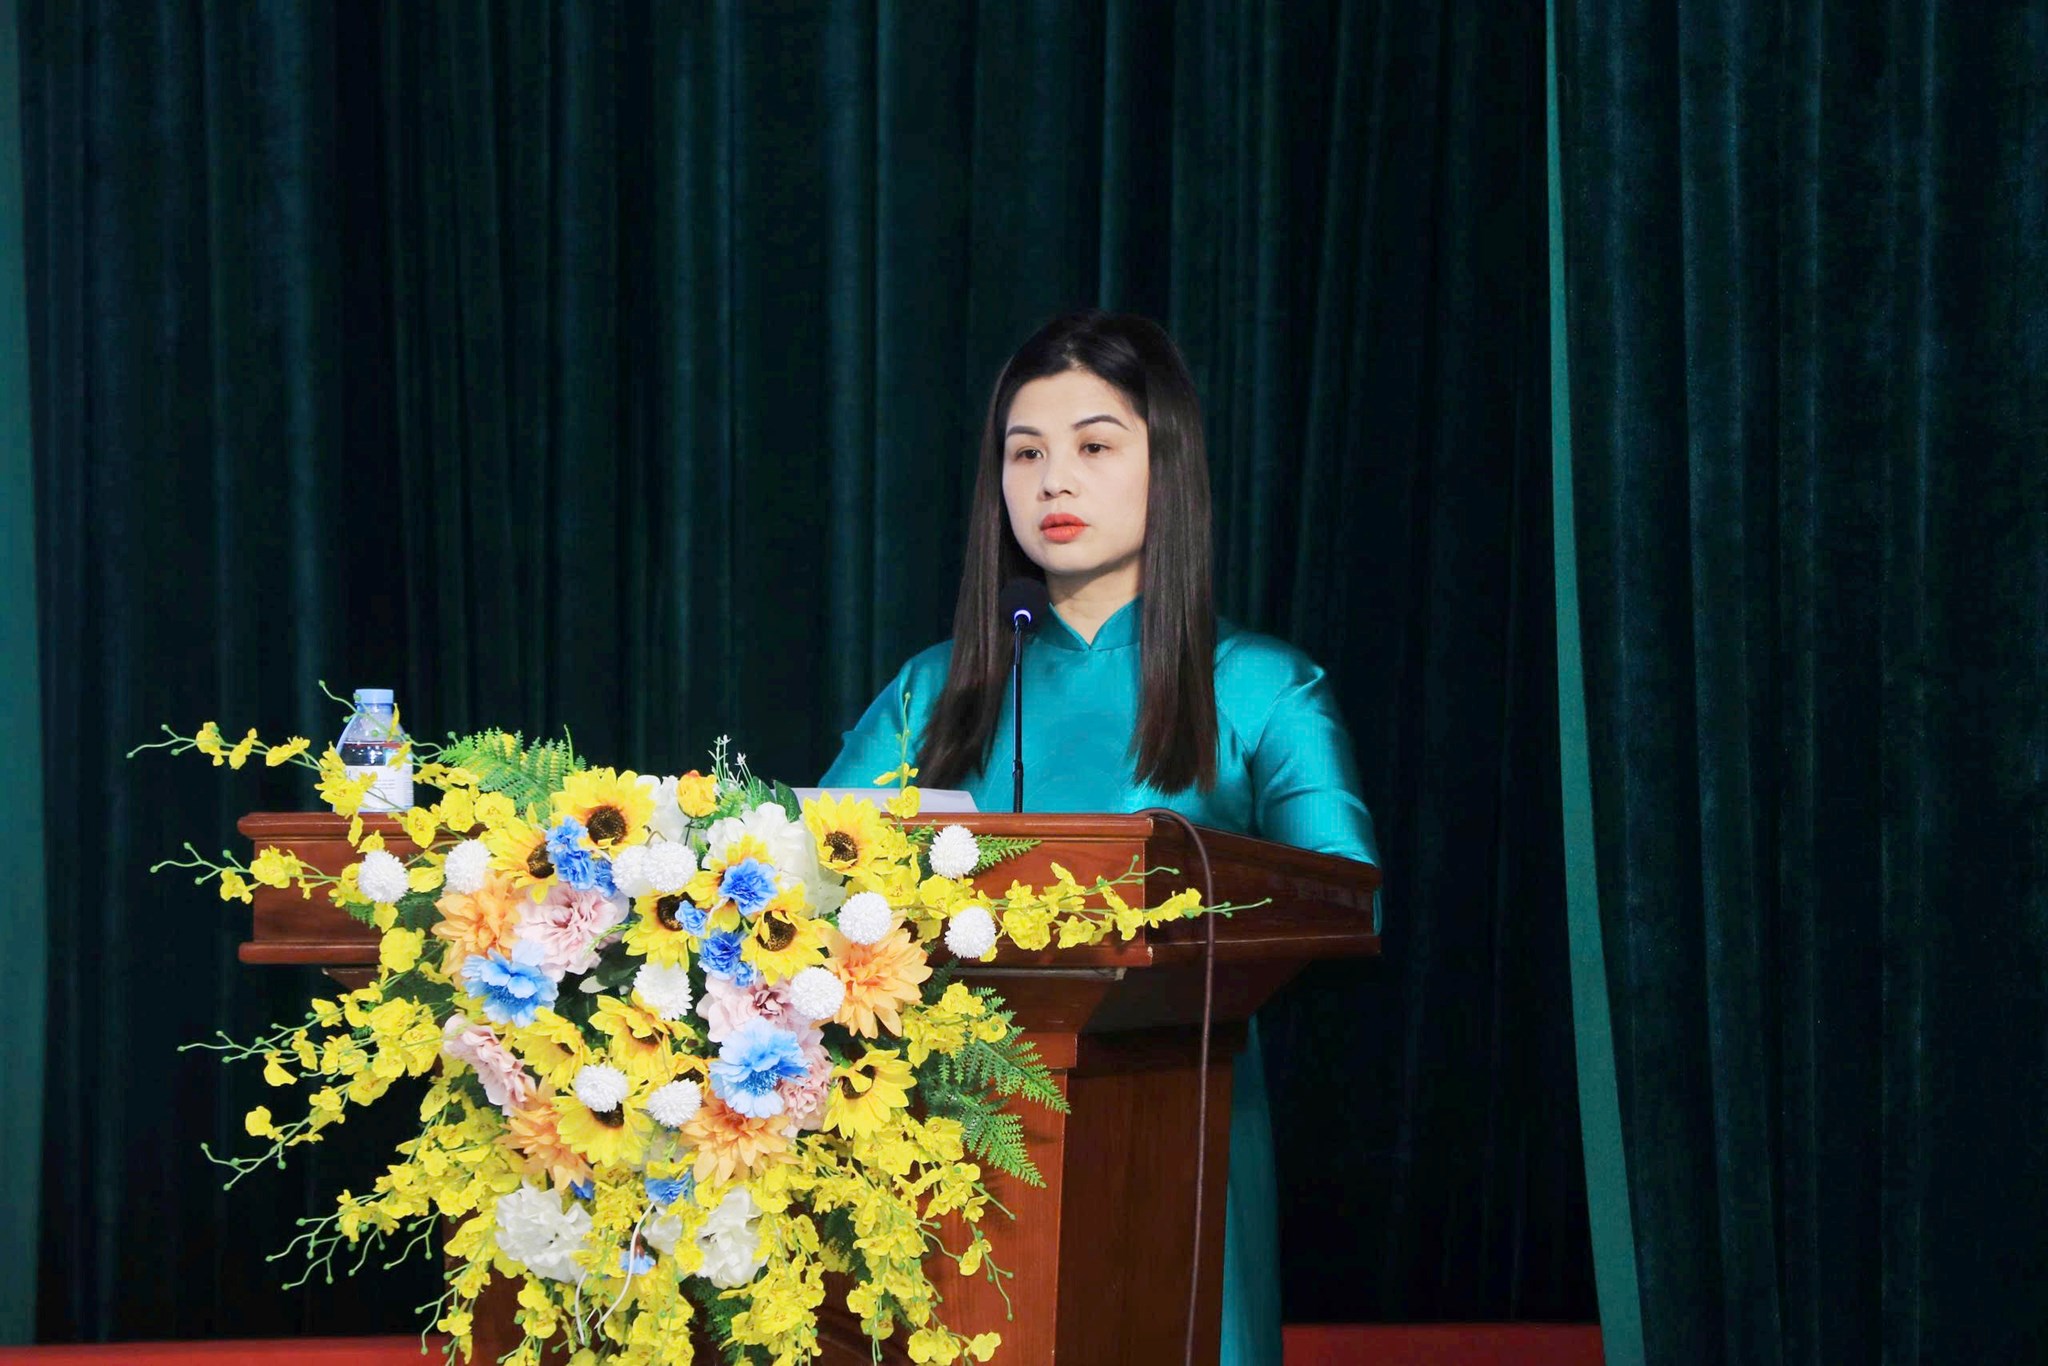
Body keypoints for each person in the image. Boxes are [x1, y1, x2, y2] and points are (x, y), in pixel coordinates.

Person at [821, 309, 1378, 1365]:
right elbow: (804, 874)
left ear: (1167, 466)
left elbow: (1345, 893)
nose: (1053, 483)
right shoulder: (934, 691)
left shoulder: (1262, 687)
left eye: (1093, 446)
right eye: (1024, 453)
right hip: (939, 1142)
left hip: (1175, 1121)